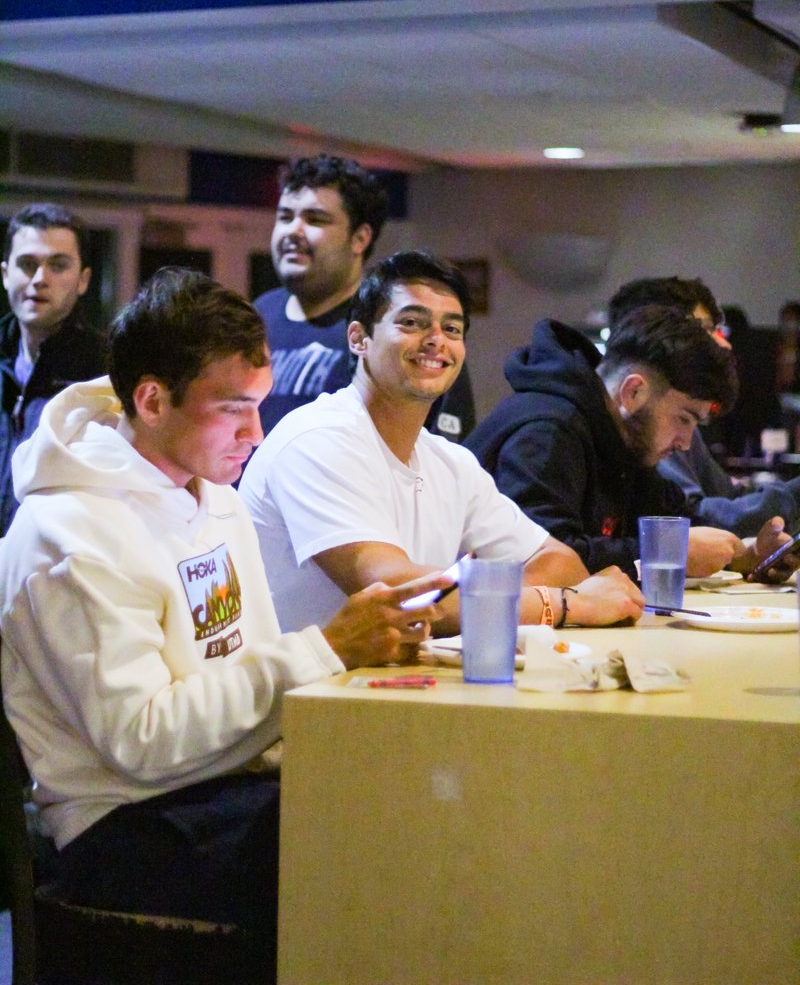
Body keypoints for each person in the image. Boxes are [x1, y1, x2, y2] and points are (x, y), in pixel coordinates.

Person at [0, 267, 442, 982]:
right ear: (151, 400)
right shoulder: (67, 535)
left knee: (400, 806)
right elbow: (140, 743)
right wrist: (325, 650)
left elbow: (255, 667)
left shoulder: (215, 497)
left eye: (259, 406)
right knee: (364, 871)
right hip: (119, 823)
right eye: (235, 409)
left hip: (218, 786)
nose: (256, 433)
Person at [240, 250, 645, 634]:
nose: (436, 340)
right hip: (301, 698)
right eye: (412, 323)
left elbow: (561, 562)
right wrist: (565, 604)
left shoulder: (450, 462)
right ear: (359, 338)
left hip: (394, 688)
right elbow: (400, 599)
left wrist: (469, 600)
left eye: (451, 328)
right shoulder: (320, 441)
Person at [466, 303, 792, 582]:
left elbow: (671, 518)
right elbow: (543, 561)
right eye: (684, 418)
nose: (685, 442)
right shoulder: (548, 431)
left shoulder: (625, 440)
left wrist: (744, 554)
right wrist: (664, 553)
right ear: (633, 392)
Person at [253, 153, 476, 442]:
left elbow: (446, 448)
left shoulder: (395, 325)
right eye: (285, 216)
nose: (292, 231)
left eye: (315, 219)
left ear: (360, 238)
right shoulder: (258, 315)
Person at [607, 277, 800, 537]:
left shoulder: (675, 422)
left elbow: (726, 497)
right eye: (706, 330)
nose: (723, 343)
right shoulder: (653, 418)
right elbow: (691, 520)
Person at [0, 202, 106, 535]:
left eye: (58, 265)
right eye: (27, 264)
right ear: (5, 274)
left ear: (83, 280)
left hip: (51, 569)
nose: (40, 279)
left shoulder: (104, 371)